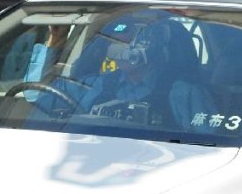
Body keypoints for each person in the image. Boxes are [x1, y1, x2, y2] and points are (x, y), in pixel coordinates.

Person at [23, 19, 215, 132]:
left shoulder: (183, 93)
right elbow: (35, 95)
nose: (117, 50)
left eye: (128, 43)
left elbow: (211, 145)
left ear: (153, 46)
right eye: (113, 43)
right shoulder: (94, 85)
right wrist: (56, 39)